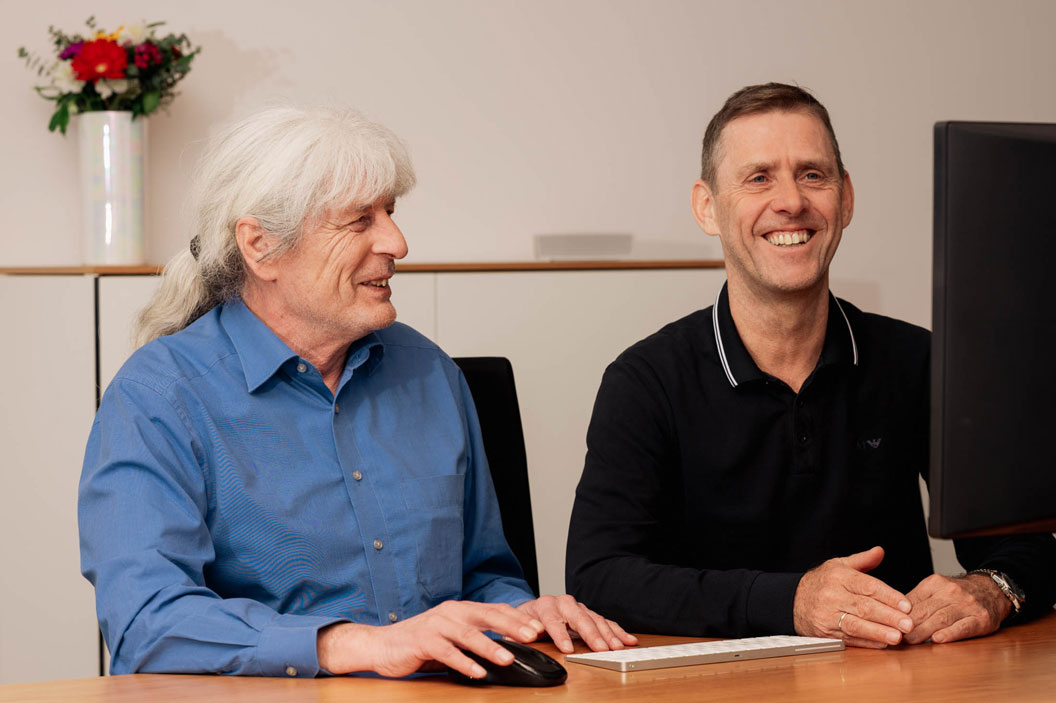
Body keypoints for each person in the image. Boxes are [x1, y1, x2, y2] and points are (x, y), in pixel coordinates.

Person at [79, 106, 636, 679]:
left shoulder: (430, 372)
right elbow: (147, 620)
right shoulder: (158, 395)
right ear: (261, 245)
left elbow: (482, 574)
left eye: (389, 213)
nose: (397, 242)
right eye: (358, 221)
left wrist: (524, 614)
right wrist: (363, 645)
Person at [565, 83, 1056, 649]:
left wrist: (990, 589)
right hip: (719, 687)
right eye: (758, 178)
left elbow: (1028, 546)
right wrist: (790, 601)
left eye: (813, 175)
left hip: (897, 683)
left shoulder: (919, 363)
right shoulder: (645, 381)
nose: (791, 201)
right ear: (707, 207)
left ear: (845, 198)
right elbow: (599, 576)